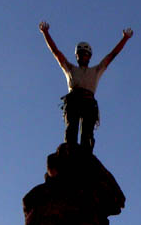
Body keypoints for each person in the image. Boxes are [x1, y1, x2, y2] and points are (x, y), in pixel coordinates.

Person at [39, 22, 133, 150]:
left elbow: (112, 56)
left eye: (85, 54)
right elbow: (56, 52)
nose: (83, 56)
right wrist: (46, 33)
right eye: (81, 54)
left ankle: (85, 158)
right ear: (77, 56)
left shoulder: (96, 71)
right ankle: (70, 156)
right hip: (73, 101)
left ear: (89, 57)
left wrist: (125, 38)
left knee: (87, 137)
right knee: (71, 132)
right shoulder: (70, 69)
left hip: (88, 103)